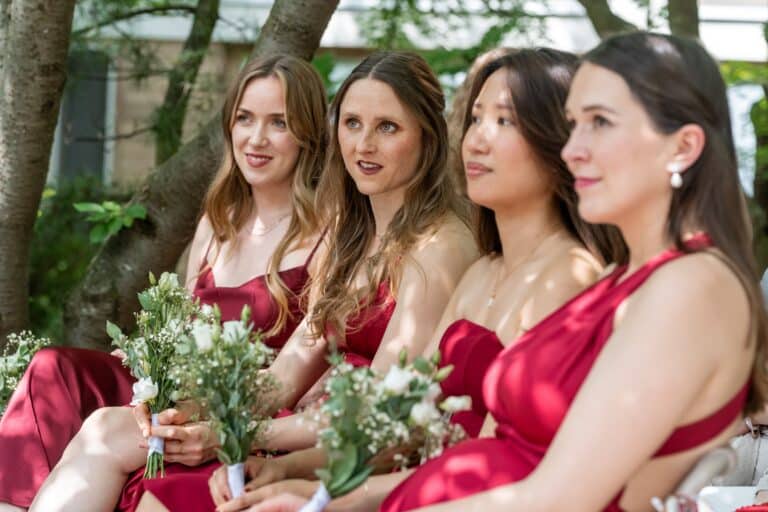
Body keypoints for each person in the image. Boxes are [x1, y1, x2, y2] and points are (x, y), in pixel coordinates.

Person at [249, 31, 768, 512]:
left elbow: (558, 496)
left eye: (600, 123)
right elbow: (484, 449)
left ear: (683, 146)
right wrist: (315, 494)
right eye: (574, 124)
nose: (573, 149)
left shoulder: (694, 284)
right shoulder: (628, 283)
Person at [37, 51, 480, 512]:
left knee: (160, 493)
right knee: (108, 430)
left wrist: (236, 431)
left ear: (427, 138)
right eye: (351, 124)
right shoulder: (356, 239)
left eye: (387, 127)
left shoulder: (438, 248)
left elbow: (378, 410)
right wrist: (200, 410)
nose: (363, 144)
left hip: (352, 455)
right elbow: (288, 373)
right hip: (298, 428)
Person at [196, 48, 627, 512]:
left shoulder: (565, 279)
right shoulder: (482, 272)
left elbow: (501, 461)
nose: (476, 141)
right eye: (476, 118)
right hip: (402, 478)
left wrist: (317, 495)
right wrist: (294, 476)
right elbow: (412, 424)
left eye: (504, 122)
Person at [6, 53, 328, 512]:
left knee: (104, 428)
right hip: (178, 389)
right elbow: (182, 328)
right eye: (245, 119)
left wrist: (199, 405)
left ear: (307, 134)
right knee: (53, 368)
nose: (256, 138)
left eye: (279, 122)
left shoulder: (328, 233)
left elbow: (286, 379)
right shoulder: (219, 222)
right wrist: (146, 352)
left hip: (241, 405)